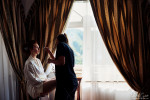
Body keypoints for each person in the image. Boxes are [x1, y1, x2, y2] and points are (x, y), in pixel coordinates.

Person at [45, 33, 78, 100]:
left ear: (57, 40)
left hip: (65, 82)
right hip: (72, 81)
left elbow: (61, 62)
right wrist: (50, 52)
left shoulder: (61, 45)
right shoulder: (69, 48)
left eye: (56, 41)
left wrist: (51, 61)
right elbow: (59, 60)